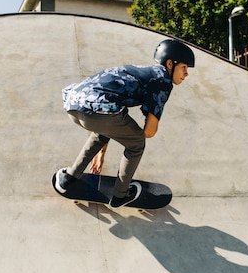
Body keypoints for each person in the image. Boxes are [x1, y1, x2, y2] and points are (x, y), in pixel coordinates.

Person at [53, 39, 195, 208]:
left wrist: (102, 151)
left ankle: (68, 177)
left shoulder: (140, 71)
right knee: (137, 143)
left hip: (74, 104)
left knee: (109, 126)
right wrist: (135, 135)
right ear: (170, 64)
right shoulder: (162, 80)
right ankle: (120, 195)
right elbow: (149, 131)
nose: (186, 74)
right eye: (184, 67)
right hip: (100, 109)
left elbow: (107, 120)